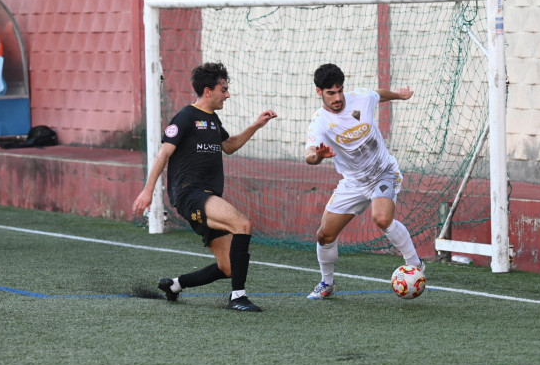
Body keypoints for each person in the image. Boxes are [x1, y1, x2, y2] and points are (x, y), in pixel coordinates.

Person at [132, 62, 277, 312]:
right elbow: (162, 156)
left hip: (207, 197)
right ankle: (238, 297)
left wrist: (255, 126)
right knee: (243, 224)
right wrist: (148, 192)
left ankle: (174, 285)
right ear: (208, 91)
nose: (228, 94)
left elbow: (229, 146)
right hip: (190, 194)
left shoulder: (212, 119)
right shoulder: (186, 116)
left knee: (228, 267)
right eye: (224, 89)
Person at [304, 63, 424, 300]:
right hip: (353, 182)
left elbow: (378, 94)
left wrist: (399, 95)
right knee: (324, 236)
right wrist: (317, 156)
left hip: (382, 172)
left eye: (340, 90)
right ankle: (327, 283)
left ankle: (415, 265)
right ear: (319, 92)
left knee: (381, 218)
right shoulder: (319, 121)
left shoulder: (361, 98)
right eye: (331, 93)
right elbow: (309, 153)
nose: (337, 97)